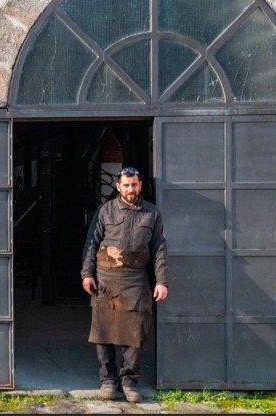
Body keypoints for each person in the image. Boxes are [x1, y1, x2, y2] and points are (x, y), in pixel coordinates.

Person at [80, 167, 169, 403]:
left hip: (136, 279)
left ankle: (129, 382)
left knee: (135, 333)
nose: (131, 189)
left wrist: (161, 281)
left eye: (134, 184)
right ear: (118, 186)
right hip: (106, 279)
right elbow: (91, 243)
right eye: (126, 185)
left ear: (140, 185)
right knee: (104, 332)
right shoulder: (105, 211)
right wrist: (87, 274)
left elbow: (159, 249)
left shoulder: (152, 214)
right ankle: (108, 380)